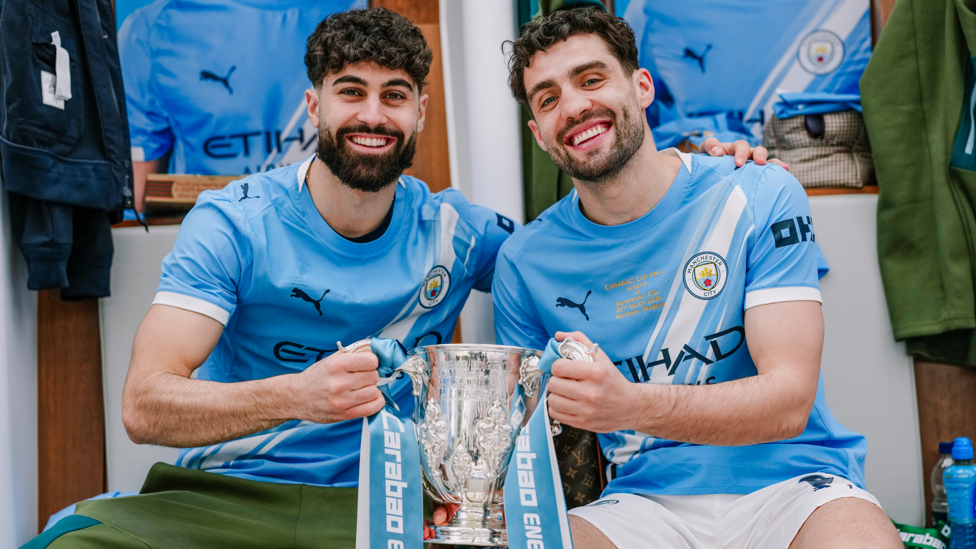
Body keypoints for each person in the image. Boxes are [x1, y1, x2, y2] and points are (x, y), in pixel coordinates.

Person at [23, 7, 778, 548]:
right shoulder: (234, 221)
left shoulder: (461, 232)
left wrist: (695, 172)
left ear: (419, 112)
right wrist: (298, 395)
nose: (372, 114)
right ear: (314, 105)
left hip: (392, 509)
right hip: (224, 497)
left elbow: (588, 241)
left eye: (393, 95)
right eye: (350, 92)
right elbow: (144, 406)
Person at [493, 8, 902, 549]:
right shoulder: (523, 261)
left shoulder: (757, 191)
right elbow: (522, 439)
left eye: (592, 79)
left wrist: (628, 405)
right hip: (640, 503)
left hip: (798, 488)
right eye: (547, 99)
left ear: (641, 87)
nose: (573, 106)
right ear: (538, 133)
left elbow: (789, 400)